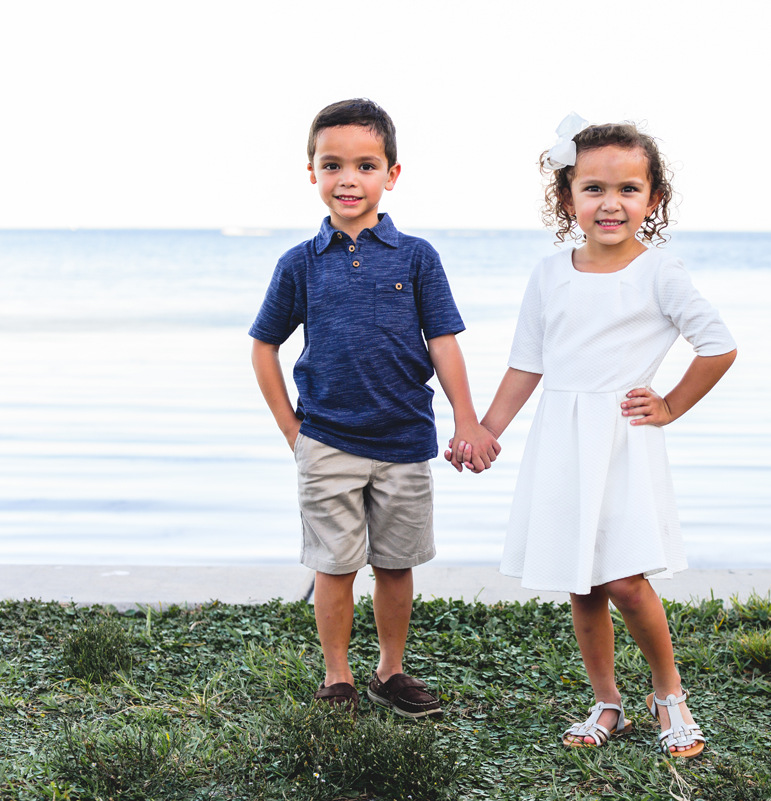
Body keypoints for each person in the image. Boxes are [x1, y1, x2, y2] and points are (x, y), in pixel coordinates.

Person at [451, 116, 736, 757]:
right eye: (593, 188)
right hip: (562, 437)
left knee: (625, 580)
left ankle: (669, 694)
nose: (611, 203)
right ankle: (607, 701)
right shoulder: (550, 274)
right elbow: (528, 362)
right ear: (567, 197)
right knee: (581, 581)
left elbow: (717, 347)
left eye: (628, 189)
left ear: (653, 200)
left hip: (622, 442)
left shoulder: (660, 274)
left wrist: (669, 405)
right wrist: (487, 430)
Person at [250, 98, 498, 717]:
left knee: (395, 564)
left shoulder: (417, 258)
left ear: (391, 173)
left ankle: (391, 672)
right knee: (334, 566)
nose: (348, 179)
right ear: (313, 173)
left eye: (365, 165)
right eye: (332, 166)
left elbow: (444, 344)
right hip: (327, 438)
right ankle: (339, 677)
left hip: (406, 440)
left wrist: (467, 420)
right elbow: (263, 347)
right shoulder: (299, 264)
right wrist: (291, 430)